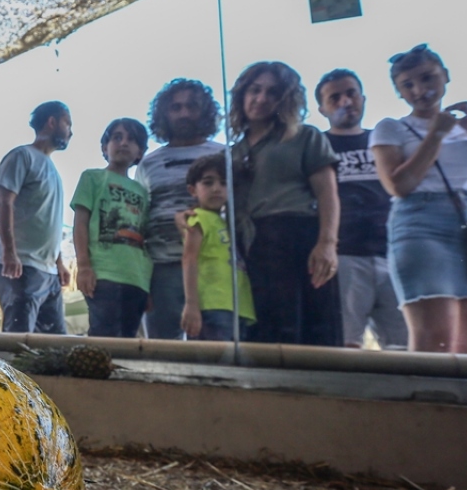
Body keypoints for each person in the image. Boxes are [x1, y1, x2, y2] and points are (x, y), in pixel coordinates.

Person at [370, 44, 467, 354]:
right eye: (408, 85)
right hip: (422, 222)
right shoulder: (392, 128)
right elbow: (399, 185)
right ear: (399, 92)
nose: (419, 90)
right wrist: (435, 134)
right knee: (434, 339)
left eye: (427, 78)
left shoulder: (465, 129)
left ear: (445, 75)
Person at [230, 61, 342, 347]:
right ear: (242, 94)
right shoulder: (233, 153)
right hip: (251, 246)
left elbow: (327, 193)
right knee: (263, 332)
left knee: (312, 331)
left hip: (298, 237)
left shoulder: (304, 136)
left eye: (272, 92)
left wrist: (327, 243)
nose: (261, 98)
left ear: (285, 99)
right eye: (255, 90)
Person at [316, 69, 408, 350]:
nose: (345, 101)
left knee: (406, 347)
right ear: (322, 108)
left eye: (351, 93)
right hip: (344, 255)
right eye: (334, 97)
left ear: (363, 98)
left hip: (394, 253)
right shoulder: (317, 146)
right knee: (345, 345)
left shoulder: (384, 143)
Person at [138, 79, 226, 339]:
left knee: (214, 350)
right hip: (162, 269)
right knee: (163, 351)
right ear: (164, 114)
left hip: (214, 267)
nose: (184, 113)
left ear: (205, 111)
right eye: (176, 107)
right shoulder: (148, 164)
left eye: (191, 106)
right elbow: (139, 219)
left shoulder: (225, 156)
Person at [0, 101, 72, 334]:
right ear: (52, 122)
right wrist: (9, 252)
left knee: (56, 344)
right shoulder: (22, 156)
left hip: (49, 271)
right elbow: (4, 202)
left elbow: (48, 222)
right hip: (22, 266)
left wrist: (59, 262)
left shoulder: (53, 171)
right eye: (67, 123)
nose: (71, 132)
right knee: (19, 339)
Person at [71, 118, 152, 337]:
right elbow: (80, 224)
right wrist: (84, 266)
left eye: (131, 139)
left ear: (140, 151)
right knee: (103, 338)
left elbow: (146, 235)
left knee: (128, 340)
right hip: (103, 275)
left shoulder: (143, 192)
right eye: (117, 137)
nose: (123, 143)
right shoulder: (92, 178)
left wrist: (149, 286)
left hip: (138, 279)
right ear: (104, 147)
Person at [179, 154, 255, 341]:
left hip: (238, 305)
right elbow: (189, 259)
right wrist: (191, 304)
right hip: (212, 304)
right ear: (192, 190)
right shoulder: (197, 218)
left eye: (223, 183)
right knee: (215, 357)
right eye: (208, 183)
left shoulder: (230, 222)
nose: (216, 189)